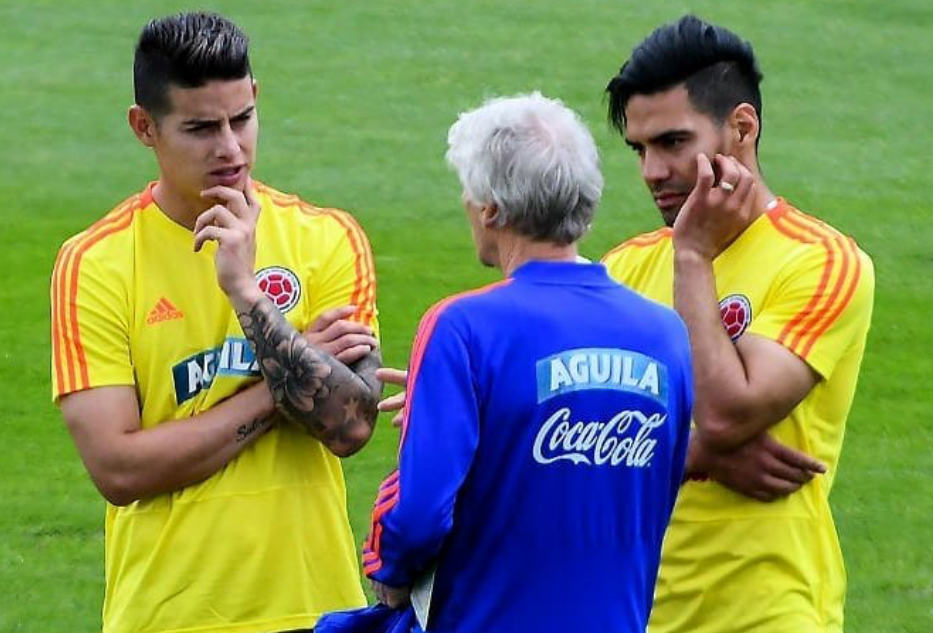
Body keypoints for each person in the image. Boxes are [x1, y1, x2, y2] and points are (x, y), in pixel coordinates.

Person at [49, 12, 381, 632]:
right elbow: (120, 470)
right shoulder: (94, 263)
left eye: (242, 119)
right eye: (201, 128)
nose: (231, 148)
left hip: (317, 608)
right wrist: (283, 381)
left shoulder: (328, 238)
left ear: (256, 98)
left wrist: (245, 294)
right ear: (143, 127)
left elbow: (351, 425)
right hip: (169, 615)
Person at [358, 93, 693, 632]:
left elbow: (418, 514)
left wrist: (388, 568)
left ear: (490, 208)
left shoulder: (462, 327)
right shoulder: (665, 334)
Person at [601, 15, 875, 632]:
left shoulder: (821, 261)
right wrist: (699, 454)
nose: (651, 172)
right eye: (640, 149)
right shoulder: (621, 268)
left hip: (766, 613)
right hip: (631, 610)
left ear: (741, 127)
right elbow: (572, 439)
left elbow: (728, 411)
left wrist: (693, 258)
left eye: (673, 143)